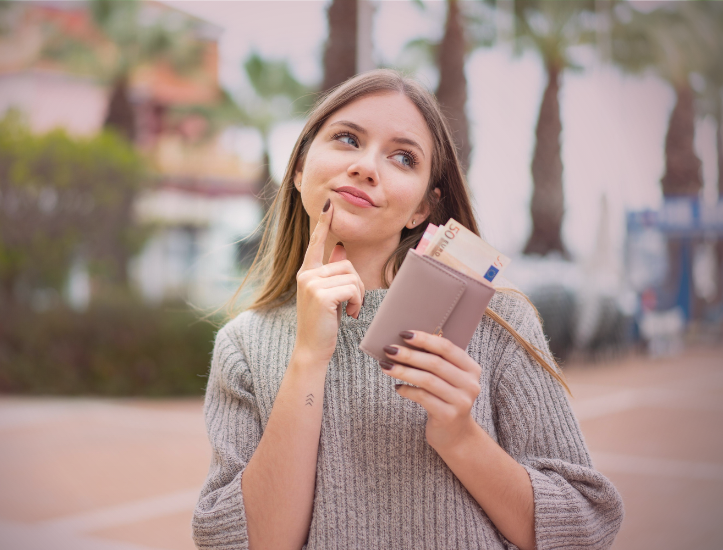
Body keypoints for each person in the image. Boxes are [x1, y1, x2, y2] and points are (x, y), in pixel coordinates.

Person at [191, 69, 623, 550]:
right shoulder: (243, 344)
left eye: (403, 158)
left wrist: (460, 435)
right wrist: (308, 357)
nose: (366, 167)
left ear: (423, 207)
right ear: (298, 167)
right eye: (347, 139)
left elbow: (586, 525)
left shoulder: (498, 323)